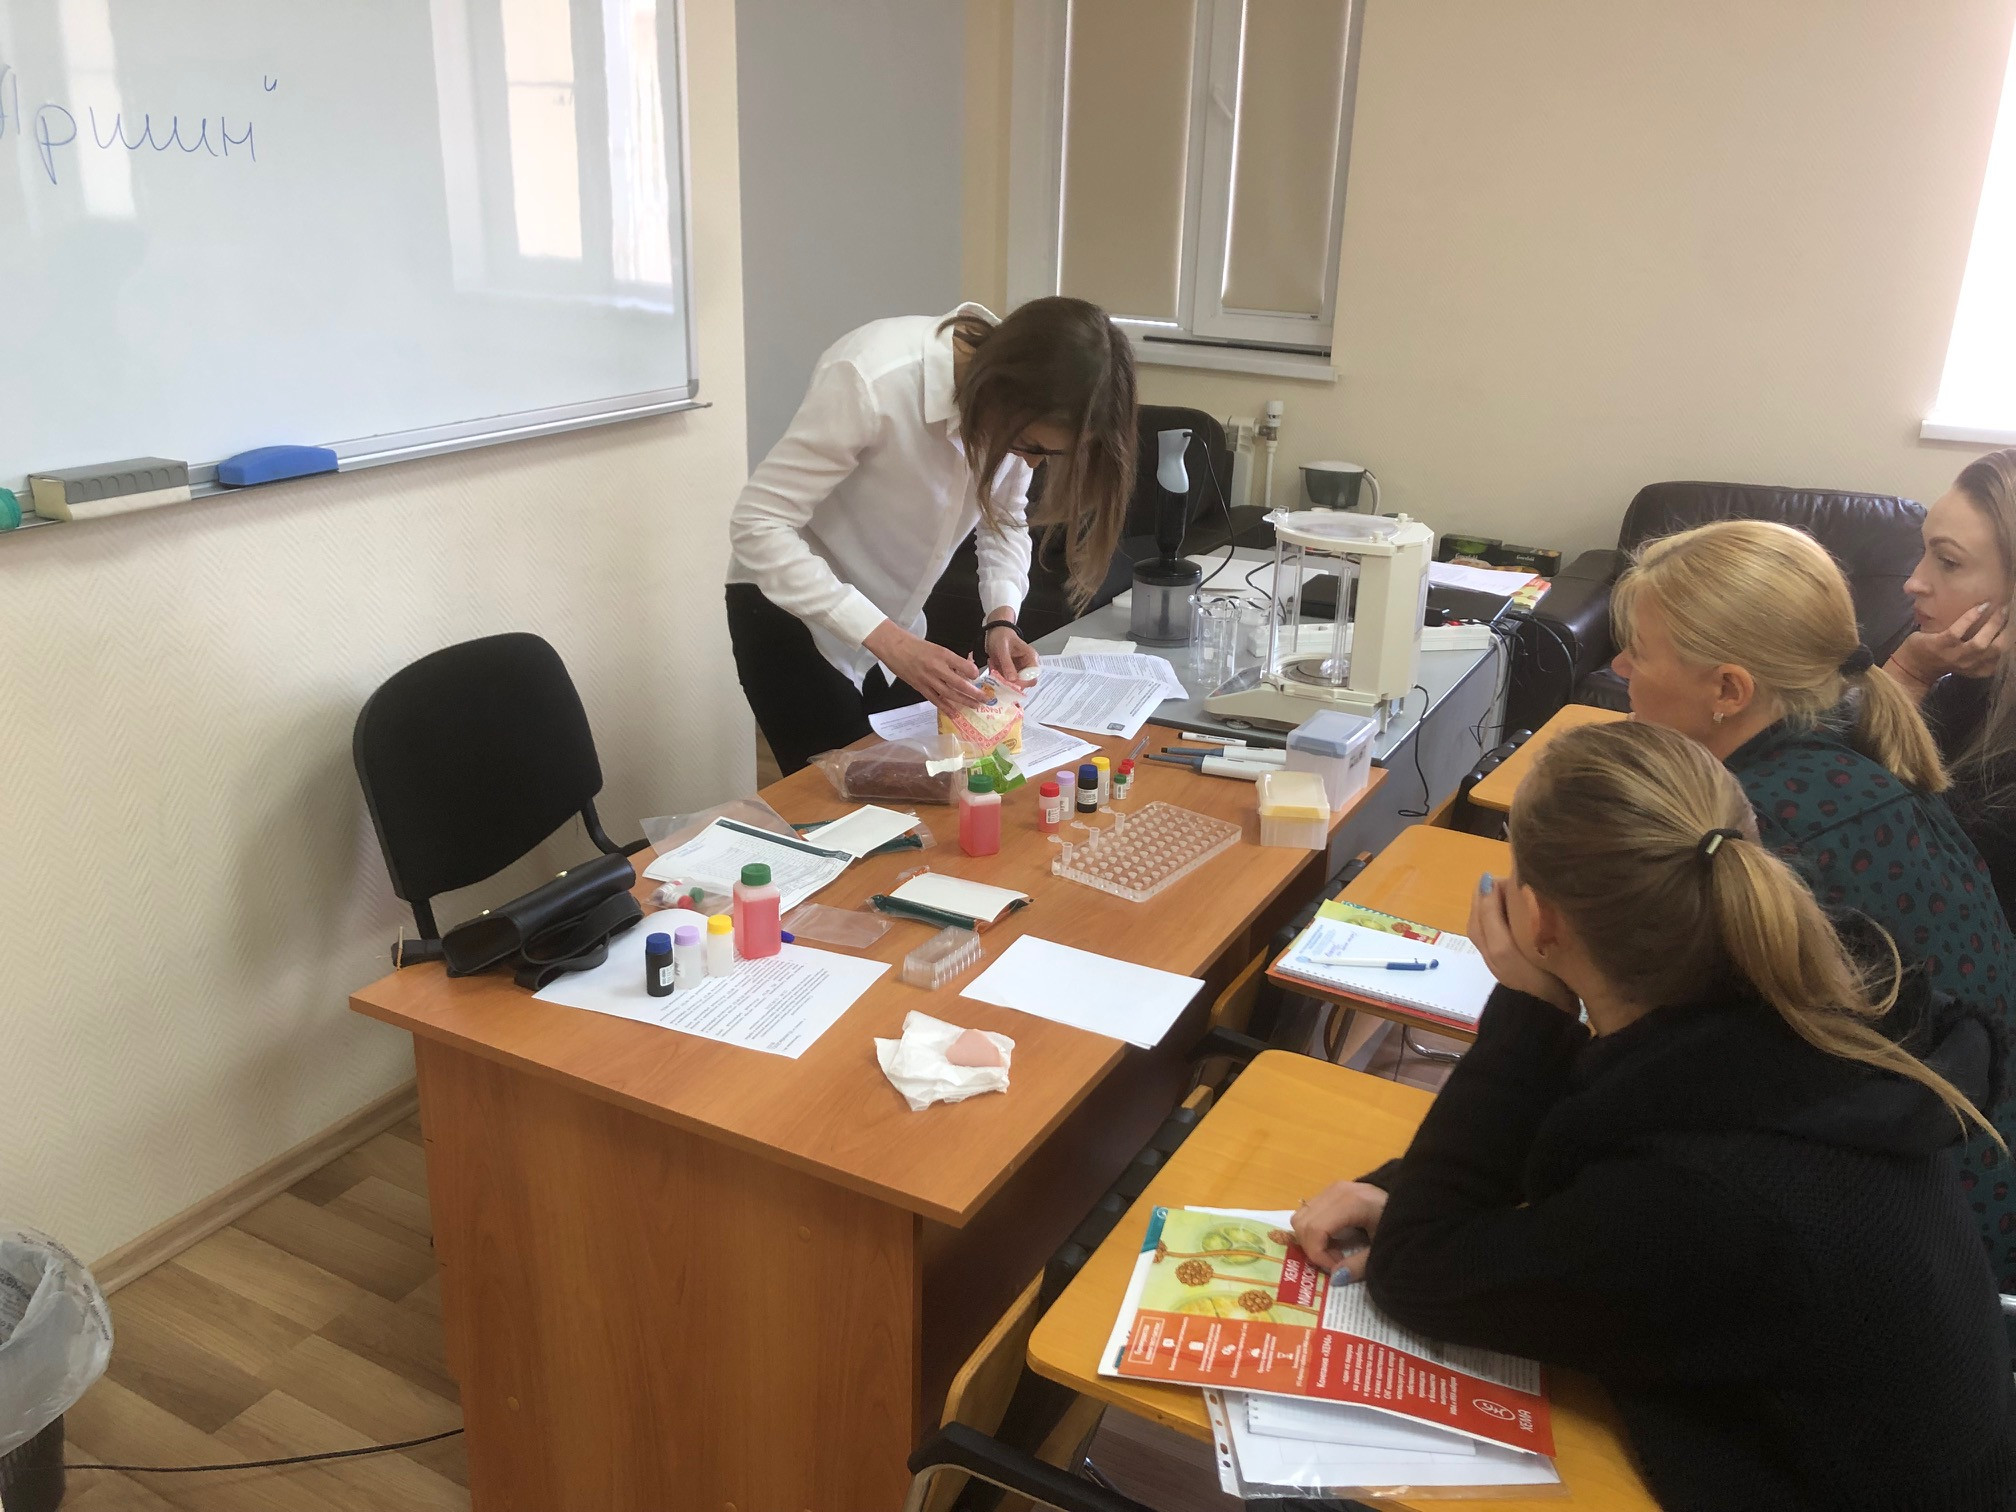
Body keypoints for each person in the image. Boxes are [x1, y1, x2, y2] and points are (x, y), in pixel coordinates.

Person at [1293, 722, 2012, 1512]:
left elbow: (1416, 1273)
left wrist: (1529, 1013)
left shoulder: (1703, 1193)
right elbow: (1601, 1132)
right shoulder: (1801, 1017)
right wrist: (1411, 1191)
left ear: (1540, 922)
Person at [1604, 516, 2016, 1283]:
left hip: (1924, 1251)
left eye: (1639, 651)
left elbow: (1656, 1084)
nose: (1620, 665)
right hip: (1954, 1188)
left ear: (1729, 690)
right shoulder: (1851, 764)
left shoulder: (1758, 835)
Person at [725, 297, 1137, 774]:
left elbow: (1004, 517)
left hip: (889, 628)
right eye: (1030, 445)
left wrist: (1001, 619)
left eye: (1048, 454)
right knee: (835, 803)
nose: (1030, 462)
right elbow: (758, 524)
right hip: (791, 614)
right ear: (1000, 389)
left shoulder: (1019, 404)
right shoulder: (873, 377)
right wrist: (893, 644)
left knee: (917, 790)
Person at [1880, 449, 2016, 903]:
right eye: (1924, 552)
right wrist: (1911, 672)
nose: (1913, 582)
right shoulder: (1966, 676)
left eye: (1949, 561)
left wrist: (1909, 674)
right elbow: (1839, 778)